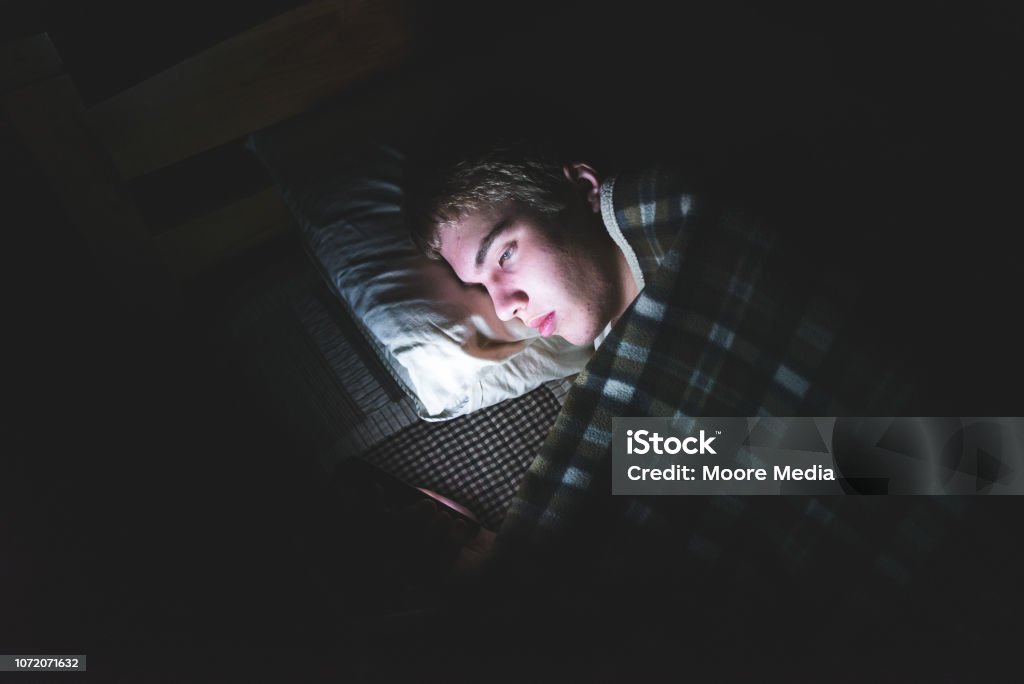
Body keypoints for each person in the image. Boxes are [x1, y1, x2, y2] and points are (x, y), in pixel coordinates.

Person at [403, 138, 966, 636]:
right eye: (481, 286)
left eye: (505, 255)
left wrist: (546, 538)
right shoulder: (622, 372)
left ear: (581, 189)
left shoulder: (705, 223)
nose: (505, 305)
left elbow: (938, 455)